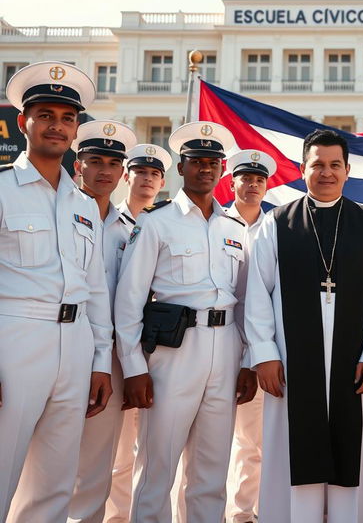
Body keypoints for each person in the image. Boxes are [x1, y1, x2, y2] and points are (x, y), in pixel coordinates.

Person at [244, 129, 363, 523]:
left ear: (347, 170)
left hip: (354, 362)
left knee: (353, 452)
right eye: (317, 165)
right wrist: (264, 354)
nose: (326, 173)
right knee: (293, 450)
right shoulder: (276, 223)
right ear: (302, 169)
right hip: (292, 364)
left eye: (334, 165)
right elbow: (258, 293)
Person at [114, 121, 257, 522]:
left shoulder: (235, 228)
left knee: (211, 471)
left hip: (225, 348)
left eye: (214, 162)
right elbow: (129, 301)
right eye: (197, 161)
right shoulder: (157, 222)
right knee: (158, 465)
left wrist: (247, 360)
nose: (206, 169)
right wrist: (134, 368)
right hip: (173, 352)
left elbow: (245, 301)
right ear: (182, 166)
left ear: (223, 169)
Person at [0, 62, 112, 522]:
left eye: (67, 118)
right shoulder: (3, 189)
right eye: (46, 114)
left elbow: (97, 290)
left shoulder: (83, 204)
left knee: (54, 483)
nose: (57, 126)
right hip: (16, 339)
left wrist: (101, 361)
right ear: (24, 122)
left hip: (75, 344)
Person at [67, 120, 137, 523]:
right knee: (43, 458)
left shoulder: (131, 231)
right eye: (96, 161)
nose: (105, 171)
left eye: (113, 163)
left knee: (97, 461)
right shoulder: (63, 211)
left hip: (108, 356)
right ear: (80, 165)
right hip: (60, 340)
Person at [103, 143, 171, 523]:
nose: (147, 179)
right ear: (127, 177)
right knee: (109, 446)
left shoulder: (163, 223)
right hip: (108, 347)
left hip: (152, 347)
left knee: (142, 442)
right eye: (141, 173)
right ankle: (113, 517)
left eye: (155, 175)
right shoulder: (105, 221)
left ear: (162, 182)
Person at [224, 149, 277, 523]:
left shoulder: (276, 227)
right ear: (233, 183)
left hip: (256, 347)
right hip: (212, 339)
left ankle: (243, 514)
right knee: (202, 444)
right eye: (246, 178)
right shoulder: (213, 220)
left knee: (252, 442)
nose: (253, 184)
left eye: (259, 179)